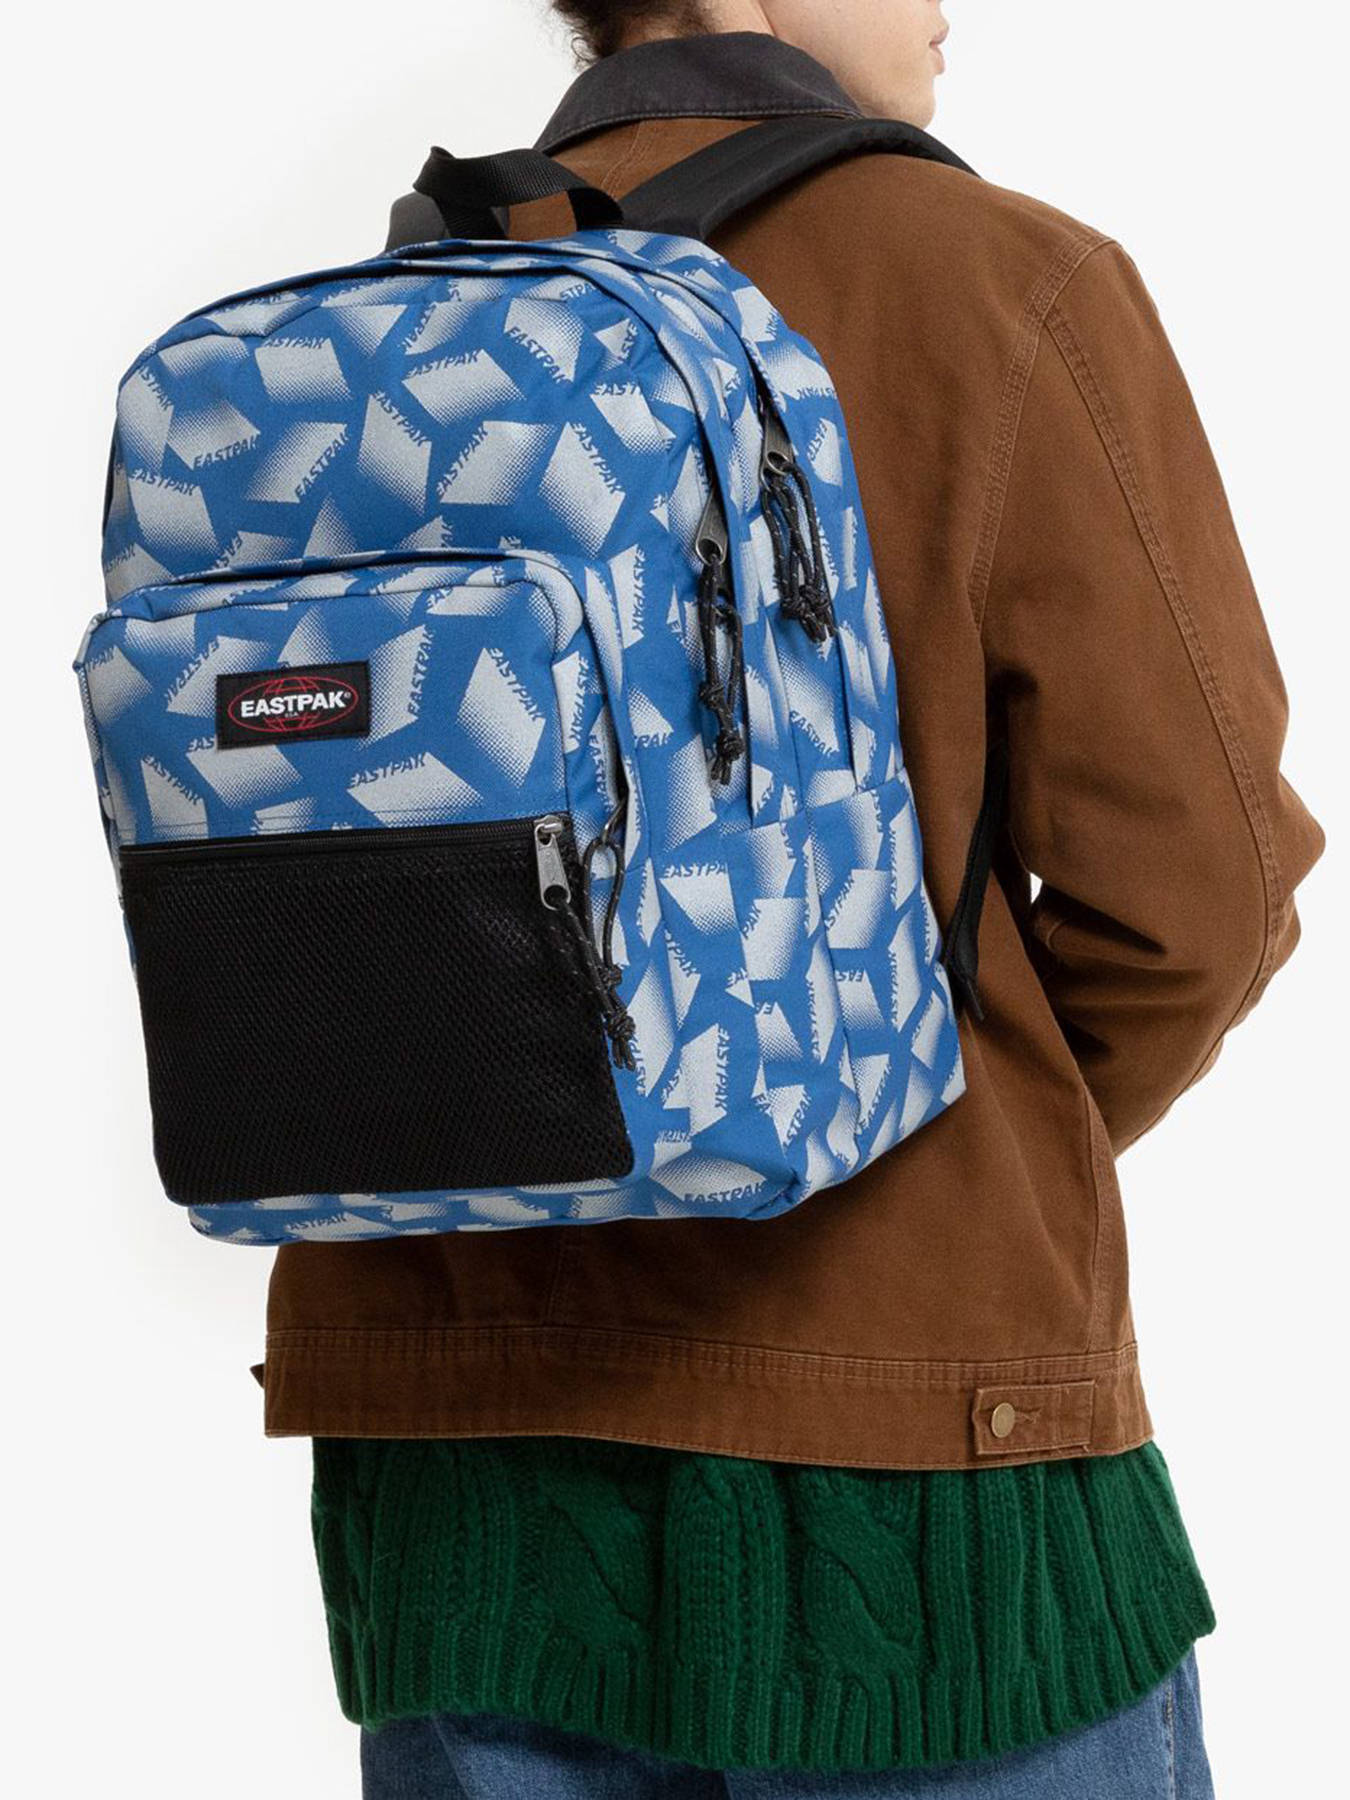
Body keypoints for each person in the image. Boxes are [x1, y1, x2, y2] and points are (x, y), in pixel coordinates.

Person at [280, 5, 1324, 1795]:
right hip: (914, 1461)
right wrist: (913, 1125)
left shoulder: (371, 329)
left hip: (453, 1456)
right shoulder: (994, 281)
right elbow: (1197, 892)